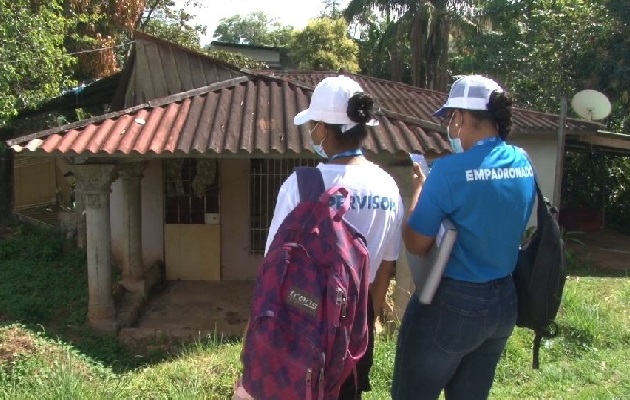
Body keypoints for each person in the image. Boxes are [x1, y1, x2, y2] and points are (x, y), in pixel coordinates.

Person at [391, 75, 536, 400]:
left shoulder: (447, 172)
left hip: (453, 302)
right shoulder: (523, 161)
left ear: (461, 117)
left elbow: (416, 242)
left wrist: (419, 191)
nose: (450, 126)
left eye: (450, 118)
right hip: (504, 300)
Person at [262, 75, 404, 400]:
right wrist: (368, 321)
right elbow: (386, 268)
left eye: (313, 125)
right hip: (358, 320)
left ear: (324, 130)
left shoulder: (301, 186)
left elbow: (274, 269)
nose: (312, 133)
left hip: (306, 314)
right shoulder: (388, 187)